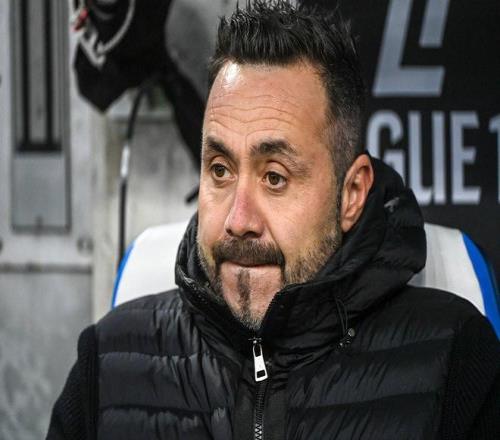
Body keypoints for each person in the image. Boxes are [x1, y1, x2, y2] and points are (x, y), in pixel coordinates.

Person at [47, 1, 499, 439]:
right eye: (220, 170)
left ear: (352, 195)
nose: (238, 220)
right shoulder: (105, 366)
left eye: (275, 177)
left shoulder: (456, 361)